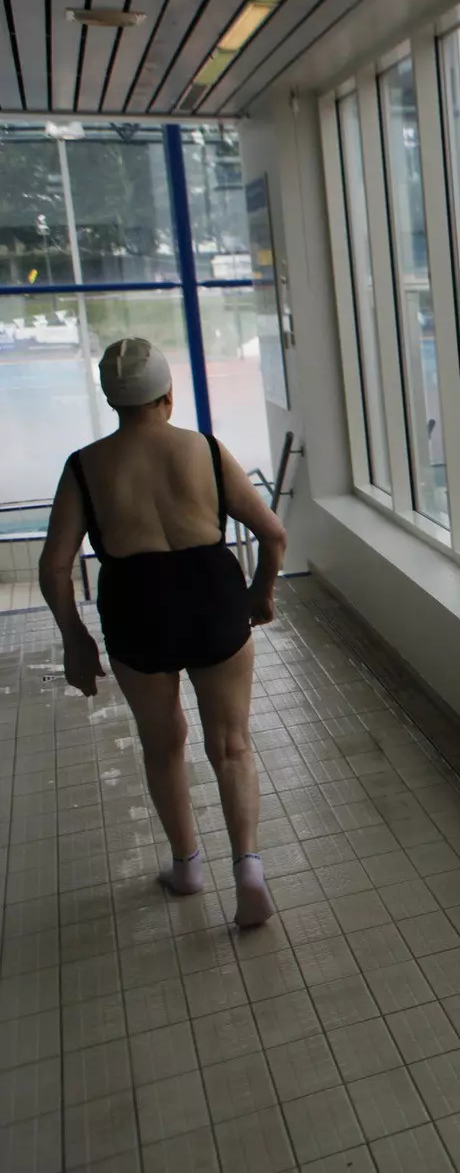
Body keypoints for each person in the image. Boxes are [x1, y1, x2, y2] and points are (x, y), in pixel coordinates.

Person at [39, 339, 287, 930]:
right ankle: (248, 868)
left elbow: (54, 566)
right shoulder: (203, 450)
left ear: (111, 400)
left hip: (136, 606)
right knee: (231, 745)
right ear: (168, 397)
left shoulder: (84, 465)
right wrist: (260, 592)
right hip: (211, 596)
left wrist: (76, 639)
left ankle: (187, 865)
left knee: (163, 742)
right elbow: (272, 534)